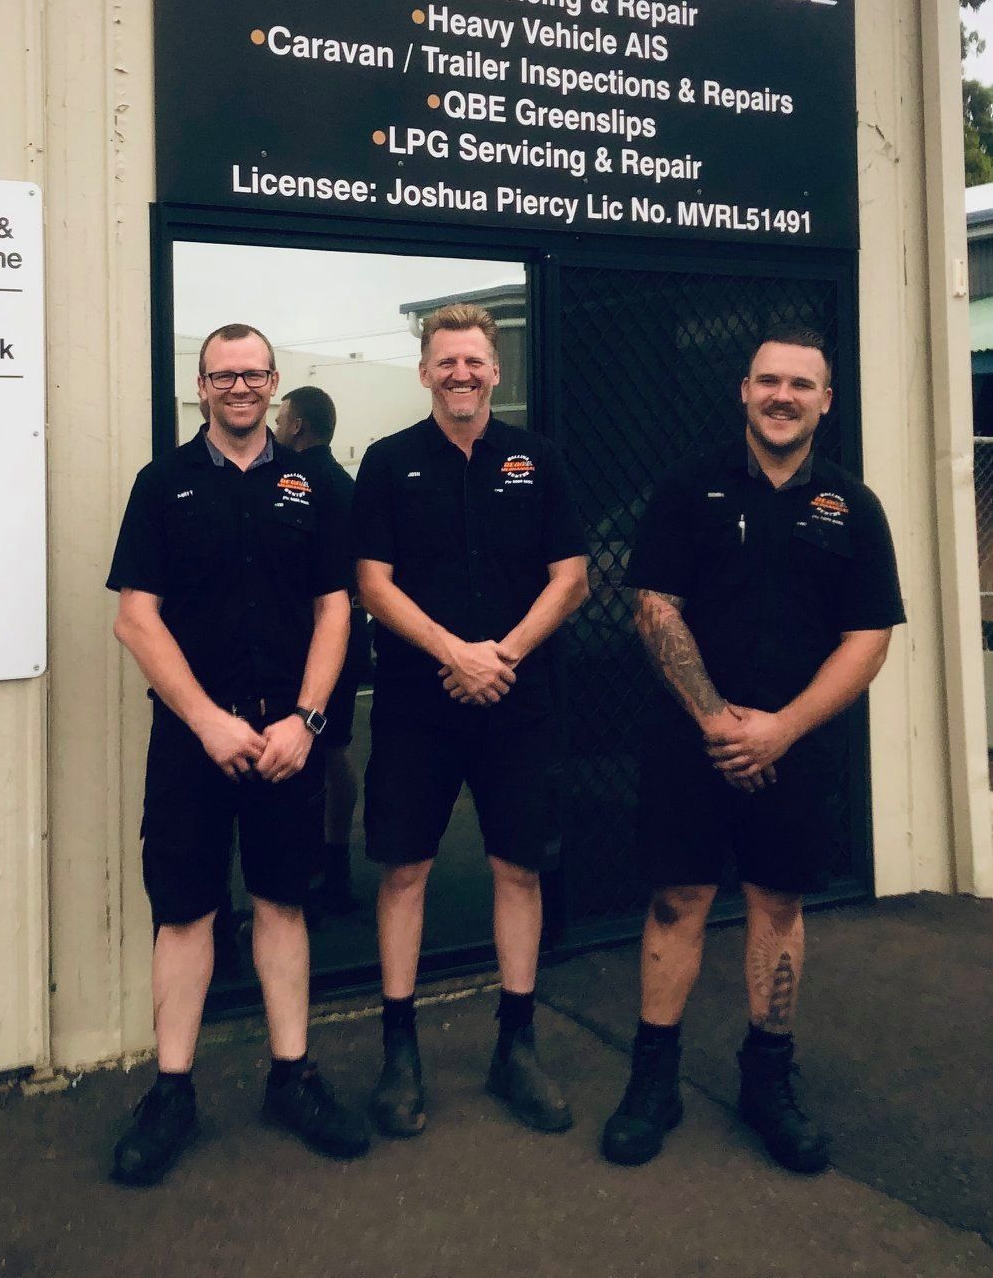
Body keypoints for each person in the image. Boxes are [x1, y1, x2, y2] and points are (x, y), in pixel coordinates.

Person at [601, 324, 904, 1175]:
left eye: (800, 384)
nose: (781, 395)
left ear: (825, 400)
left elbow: (868, 635)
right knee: (676, 902)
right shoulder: (684, 489)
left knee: (777, 905)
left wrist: (782, 726)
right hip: (686, 745)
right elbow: (654, 607)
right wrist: (716, 722)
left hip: (797, 748)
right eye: (767, 380)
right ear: (742, 389)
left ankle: (766, 1080)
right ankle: (651, 1081)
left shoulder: (851, 505)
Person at [106, 322, 369, 1185]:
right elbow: (135, 616)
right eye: (224, 375)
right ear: (202, 384)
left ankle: (291, 1077)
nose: (240, 386)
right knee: (183, 911)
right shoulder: (163, 484)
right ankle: (172, 1092)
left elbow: (337, 609)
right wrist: (205, 720)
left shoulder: (313, 485)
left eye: (254, 373)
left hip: (286, 737)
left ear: (273, 381)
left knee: (282, 902)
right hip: (194, 741)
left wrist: (307, 718)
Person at [352, 302, 589, 1137]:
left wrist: (502, 656)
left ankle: (514, 1046)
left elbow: (570, 577)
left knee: (517, 868)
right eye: (445, 359)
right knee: (405, 870)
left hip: (519, 700)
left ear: (495, 372)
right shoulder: (387, 463)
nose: (460, 372)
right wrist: (454, 652)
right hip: (420, 703)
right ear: (424, 371)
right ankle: (399, 1053)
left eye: (474, 361)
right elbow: (372, 583)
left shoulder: (539, 460)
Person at [275, 385, 371, 916]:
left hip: (314, 637)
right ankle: (336, 870)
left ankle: (307, 877)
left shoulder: (297, 482)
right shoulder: (345, 483)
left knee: (306, 751)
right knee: (335, 747)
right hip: (352, 631)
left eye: (281, 417)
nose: (277, 426)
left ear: (298, 427)